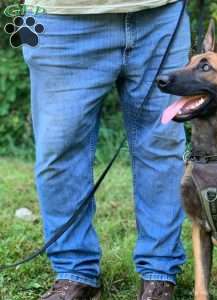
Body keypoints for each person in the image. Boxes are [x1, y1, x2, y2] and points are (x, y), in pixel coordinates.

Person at [22, 0, 191, 299]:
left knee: (163, 145)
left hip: (161, 14)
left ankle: (159, 274)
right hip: (61, 19)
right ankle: (75, 274)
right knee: (59, 150)